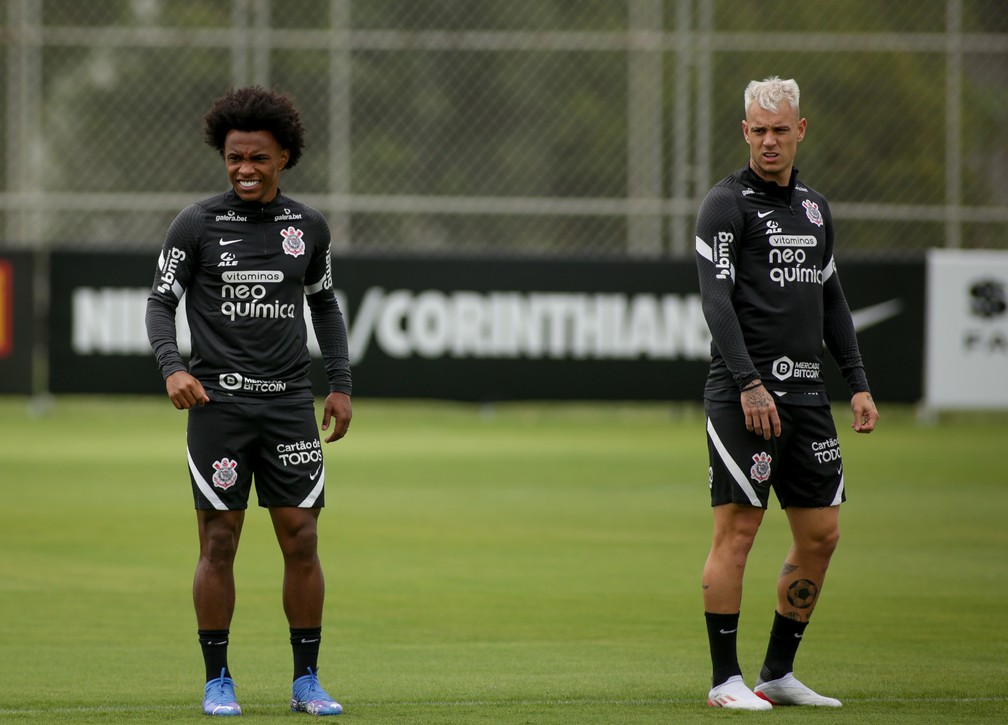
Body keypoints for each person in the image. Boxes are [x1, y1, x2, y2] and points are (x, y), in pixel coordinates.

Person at [145, 86, 352, 717]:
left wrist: (339, 384)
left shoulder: (307, 227)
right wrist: (172, 367)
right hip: (218, 408)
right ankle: (217, 680)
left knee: (303, 539)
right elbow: (160, 303)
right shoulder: (196, 223)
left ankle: (307, 681)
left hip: (290, 404)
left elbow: (324, 306)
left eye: (258, 158)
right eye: (235, 158)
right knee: (219, 543)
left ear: (283, 157)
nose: (244, 170)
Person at [693, 76, 878, 710]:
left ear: (800, 130)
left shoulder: (815, 209)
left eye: (781, 129)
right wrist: (748, 382)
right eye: (758, 129)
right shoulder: (726, 205)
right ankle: (725, 681)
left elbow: (832, 301)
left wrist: (857, 383)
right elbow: (716, 300)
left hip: (808, 399)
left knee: (821, 534)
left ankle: (777, 672)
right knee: (738, 534)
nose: (769, 140)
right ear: (745, 131)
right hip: (745, 396)